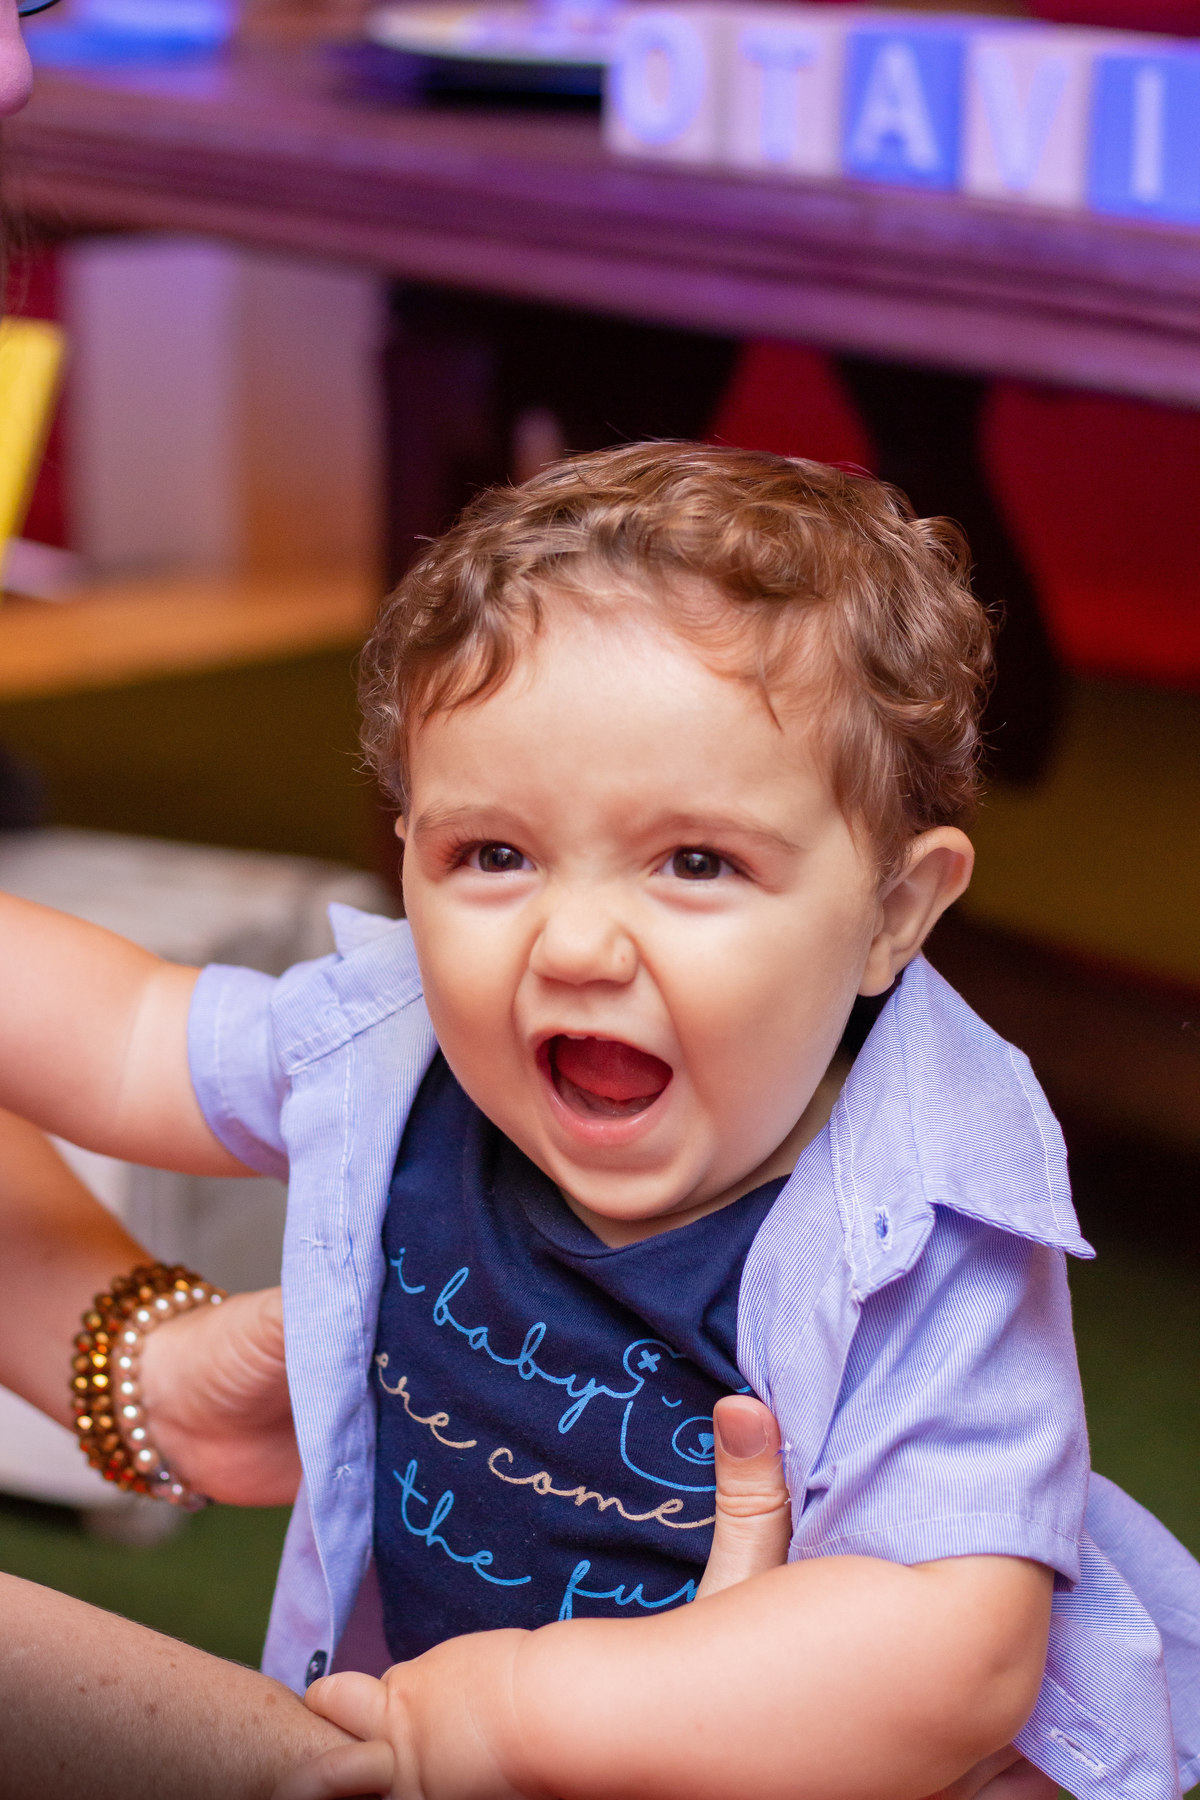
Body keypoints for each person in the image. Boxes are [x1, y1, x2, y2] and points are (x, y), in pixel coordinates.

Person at [0, 444, 1194, 1800]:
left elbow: (949, 1648)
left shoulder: (923, 1221)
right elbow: (132, 1033)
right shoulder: (401, 1040)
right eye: (491, 855)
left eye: (695, 862)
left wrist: (513, 1718)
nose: (571, 943)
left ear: (894, 914)